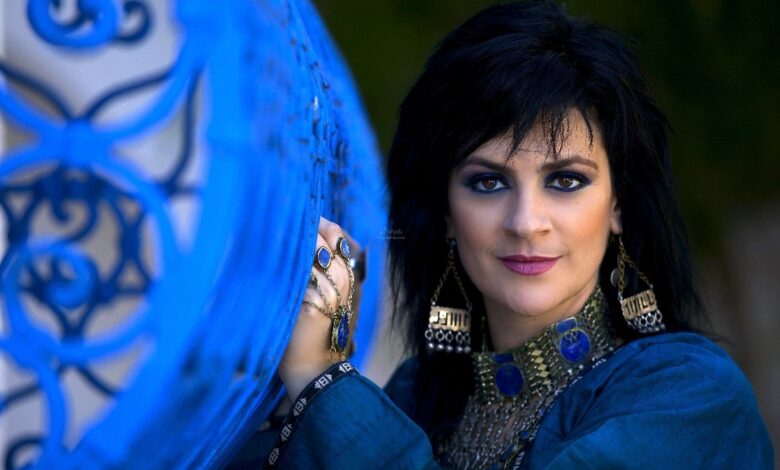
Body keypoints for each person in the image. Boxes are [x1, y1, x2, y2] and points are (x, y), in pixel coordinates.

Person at [230, 1, 774, 468]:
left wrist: (322, 381)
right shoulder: (420, 397)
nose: (526, 221)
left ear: (618, 206)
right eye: (488, 182)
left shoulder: (690, 395)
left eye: (566, 181)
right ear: (446, 213)